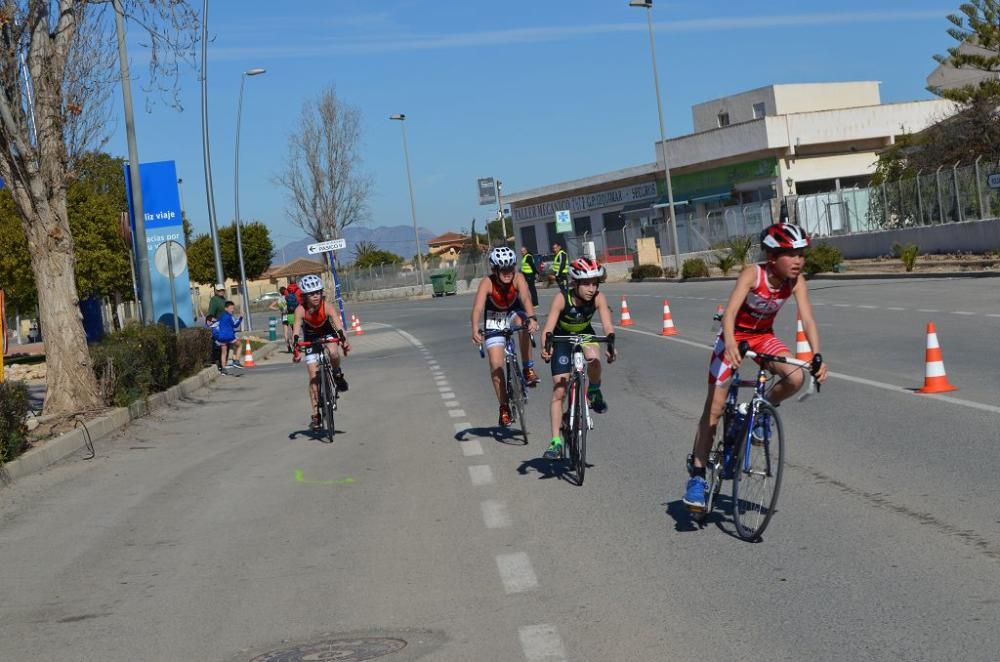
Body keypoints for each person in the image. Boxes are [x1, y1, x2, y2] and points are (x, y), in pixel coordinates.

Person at [682, 223, 828, 511]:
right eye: (791, 254)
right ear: (772, 257)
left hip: (763, 338)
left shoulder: (796, 281)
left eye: (801, 253)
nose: (799, 260)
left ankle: (760, 413)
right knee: (713, 410)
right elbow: (730, 314)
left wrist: (818, 354)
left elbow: (808, 319)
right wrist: (731, 344)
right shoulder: (753, 273)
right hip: (733, 337)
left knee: (796, 376)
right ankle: (698, 478)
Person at [539, 257, 616, 460]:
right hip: (562, 337)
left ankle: (594, 390)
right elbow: (548, 328)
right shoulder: (562, 298)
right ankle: (556, 441)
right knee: (559, 389)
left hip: (585, 333)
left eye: (595, 283)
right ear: (575, 283)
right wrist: (545, 346)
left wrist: (611, 343)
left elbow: (607, 326)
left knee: (594, 359)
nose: (591, 288)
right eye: (586, 284)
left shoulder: (599, 298)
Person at [470, 246, 540, 427]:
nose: (508, 272)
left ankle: (527, 369)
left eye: (511, 268)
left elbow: (525, 298)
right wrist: (475, 328)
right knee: (495, 364)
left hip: (514, 312)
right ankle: (503, 407)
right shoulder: (487, 283)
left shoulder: (519, 278)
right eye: (504, 269)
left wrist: (531, 318)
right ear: (495, 270)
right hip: (494, 317)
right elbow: (478, 308)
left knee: (523, 324)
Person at [292, 274, 350, 431]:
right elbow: (296, 329)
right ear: (305, 296)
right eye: (311, 294)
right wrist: (296, 347)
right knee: (312, 377)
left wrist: (344, 340)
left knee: (333, 353)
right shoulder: (300, 310)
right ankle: (316, 414)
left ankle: (337, 374)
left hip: (328, 333)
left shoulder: (328, 306)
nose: (315, 296)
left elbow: (338, 326)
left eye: (318, 292)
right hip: (311, 338)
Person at [213, 302, 241, 372]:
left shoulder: (220, 316)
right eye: (231, 308)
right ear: (226, 309)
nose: (232, 310)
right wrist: (241, 317)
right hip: (229, 336)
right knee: (239, 345)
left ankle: (223, 368)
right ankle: (236, 361)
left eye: (233, 308)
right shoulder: (230, 316)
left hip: (221, 337)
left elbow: (216, 325)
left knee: (224, 353)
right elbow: (235, 325)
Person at [269, 286, 292, 352]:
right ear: (285, 291)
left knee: (285, 332)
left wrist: (278, 309)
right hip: (290, 314)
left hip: (284, 315)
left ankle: (288, 347)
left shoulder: (279, 299)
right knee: (292, 330)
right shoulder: (288, 297)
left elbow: (270, 306)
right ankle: (294, 345)